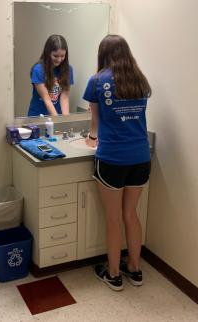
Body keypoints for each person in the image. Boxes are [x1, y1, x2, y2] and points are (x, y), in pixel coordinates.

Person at [83, 35, 152, 291]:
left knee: (113, 218)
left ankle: (113, 274)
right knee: (131, 215)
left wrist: (91, 137)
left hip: (112, 158)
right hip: (141, 156)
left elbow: (95, 120)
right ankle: (134, 268)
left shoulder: (97, 80)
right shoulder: (139, 79)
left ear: (103, 54)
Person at [27, 34, 74, 116]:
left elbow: (65, 97)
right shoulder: (38, 70)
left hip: (57, 114)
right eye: (55, 56)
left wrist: (65, 121)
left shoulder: (68, 69)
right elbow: (46, 99)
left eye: (62, 56)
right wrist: (56, 121)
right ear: (48, 53)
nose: (59, 60)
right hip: (38, 116)